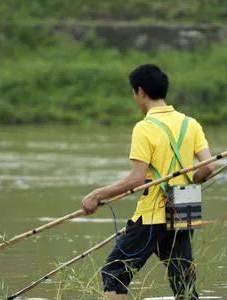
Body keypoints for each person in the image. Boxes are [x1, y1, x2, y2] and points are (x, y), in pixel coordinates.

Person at [81, 64, 215, 300]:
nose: (135, 98)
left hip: (152, 213)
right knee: (183, 284)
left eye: (134, 93)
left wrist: (97, 195)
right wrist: (188, 181)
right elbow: (207, 167)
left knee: (114, 274)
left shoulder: (144, 128)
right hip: (184, 209)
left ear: (141, 91)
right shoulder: (190, 124)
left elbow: (136, 178)